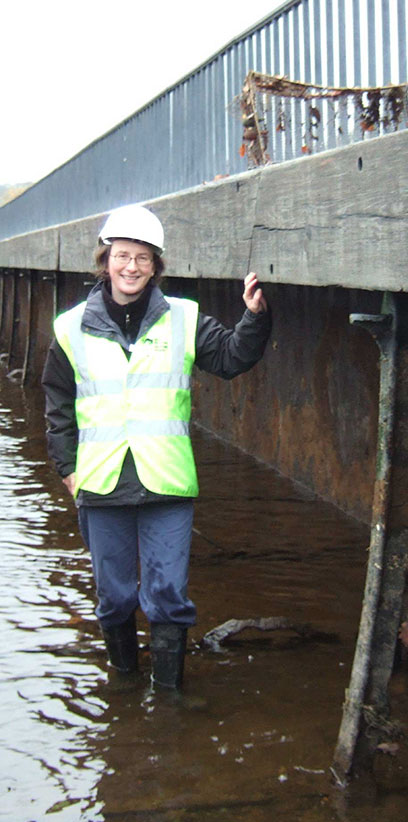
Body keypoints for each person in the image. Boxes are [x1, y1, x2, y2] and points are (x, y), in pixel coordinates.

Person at [41, 204, 271, 690]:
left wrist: (254, 318)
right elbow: (58, 402)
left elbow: (231, 358)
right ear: (105, 261)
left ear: (156, 265)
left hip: (166, 482)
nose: (131, 267)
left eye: (142, 258)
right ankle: (124, 686)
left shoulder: (184, 319)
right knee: (114, 595)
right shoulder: (70, 327)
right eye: (122, 255)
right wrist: (67, 468)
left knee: (168, 592)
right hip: (100, 482)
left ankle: (168, 697)